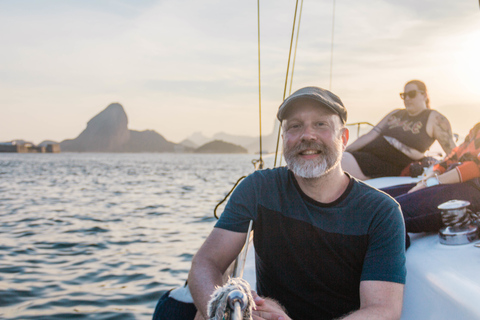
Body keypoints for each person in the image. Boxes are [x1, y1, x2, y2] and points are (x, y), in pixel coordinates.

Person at [185, 87, 406, 320]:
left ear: (343, 138)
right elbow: (206, 262)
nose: (307, 135)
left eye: (321, 124)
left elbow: (383, 310)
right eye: (295, 126)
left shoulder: (381, 212)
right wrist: (222, 313)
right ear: (283, 139)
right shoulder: (259, 188)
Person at [381, 122, 480, 248]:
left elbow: (476, 167)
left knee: (385, 212)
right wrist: (433, 175)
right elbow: (452, 157)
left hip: (472, 190)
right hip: (449, 180)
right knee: (371, 198)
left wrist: (431, 183)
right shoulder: (476, 129)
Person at [342, 80, 456, 180]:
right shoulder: (395, 113)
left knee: (339, 163)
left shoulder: (434, 118)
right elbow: (370, 136)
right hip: (365, 155)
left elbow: (452, 152)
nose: (407, 98)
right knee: (337, 159)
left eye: (411, 94)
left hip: (389, 164)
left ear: (424, 95)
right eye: (404, 95)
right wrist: (343, 150)